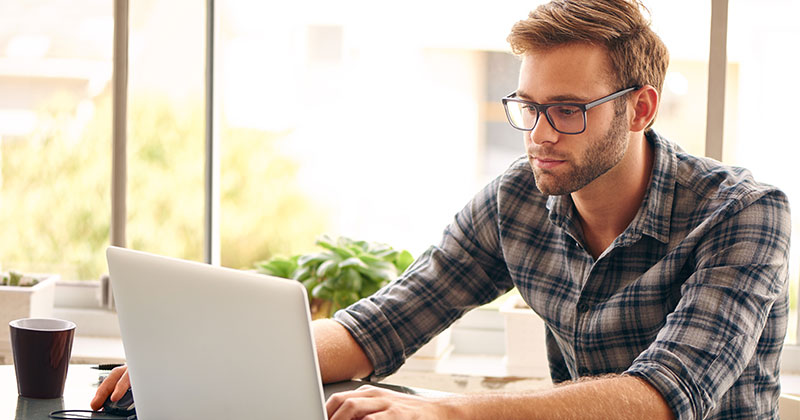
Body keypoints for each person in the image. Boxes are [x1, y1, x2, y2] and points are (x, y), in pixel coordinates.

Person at [92, 0, 792, 418]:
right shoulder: (517, 201)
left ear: (640, 108)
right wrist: (202, 358)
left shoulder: (743, 215)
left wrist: (444, 410)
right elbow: (384, 324)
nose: (541, 133)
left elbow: (663, 397)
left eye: (569, 110)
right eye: (528, 106)